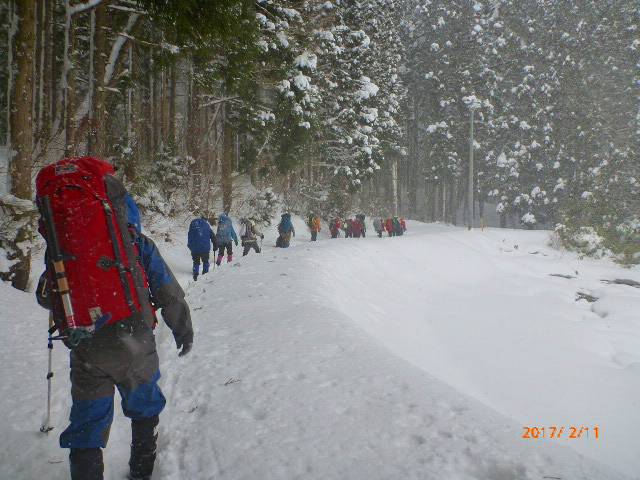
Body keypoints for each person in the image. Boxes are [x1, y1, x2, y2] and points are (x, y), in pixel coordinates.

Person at [35, 157, 192, 480]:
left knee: (88, 423)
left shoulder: (63, 247)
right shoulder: (135, 244)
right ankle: (140, 473)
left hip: (86, 342)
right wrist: (183, 330)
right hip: (133, 335)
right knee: (145, 407)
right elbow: (168, 291)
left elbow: (45, 294)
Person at [187, 214, 217, 281]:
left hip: (194, 248)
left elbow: (189, 236)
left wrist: (190, 245)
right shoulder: (206, 225)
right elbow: (213, 236)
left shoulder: (193, 224)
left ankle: (195, 275)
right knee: (205, 261)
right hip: (205, 247)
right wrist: (215, 245)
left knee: (196, 262)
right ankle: (205, 274)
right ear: (205, 219)